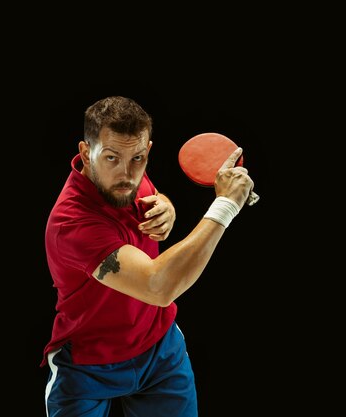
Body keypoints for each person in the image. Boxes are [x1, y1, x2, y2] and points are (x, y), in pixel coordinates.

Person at [40, 95, 255, 416]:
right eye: (111, 158)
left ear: (147, 151)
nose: (127, 174)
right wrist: (226, 206)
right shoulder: (71, 224)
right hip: (89, 363)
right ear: (86, 154)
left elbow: (147, 193)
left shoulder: (126, 178)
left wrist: (166, 205)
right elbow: (158, 287)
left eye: (138, 158)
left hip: (159, 350)